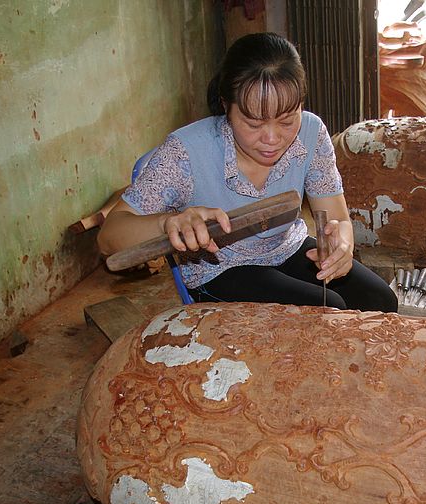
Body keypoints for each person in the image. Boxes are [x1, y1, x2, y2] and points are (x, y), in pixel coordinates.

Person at [97, 32, 397, 312]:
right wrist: (168, 223)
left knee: (379, 301)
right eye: (254, 123)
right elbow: (109, 237)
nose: (272, 138)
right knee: (327, 310)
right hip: (220, 267)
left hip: (284, 247)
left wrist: (342, 243)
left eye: (286, 120)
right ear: (226, 106)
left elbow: (337, 218)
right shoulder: (186, 152)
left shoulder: (311, 132)